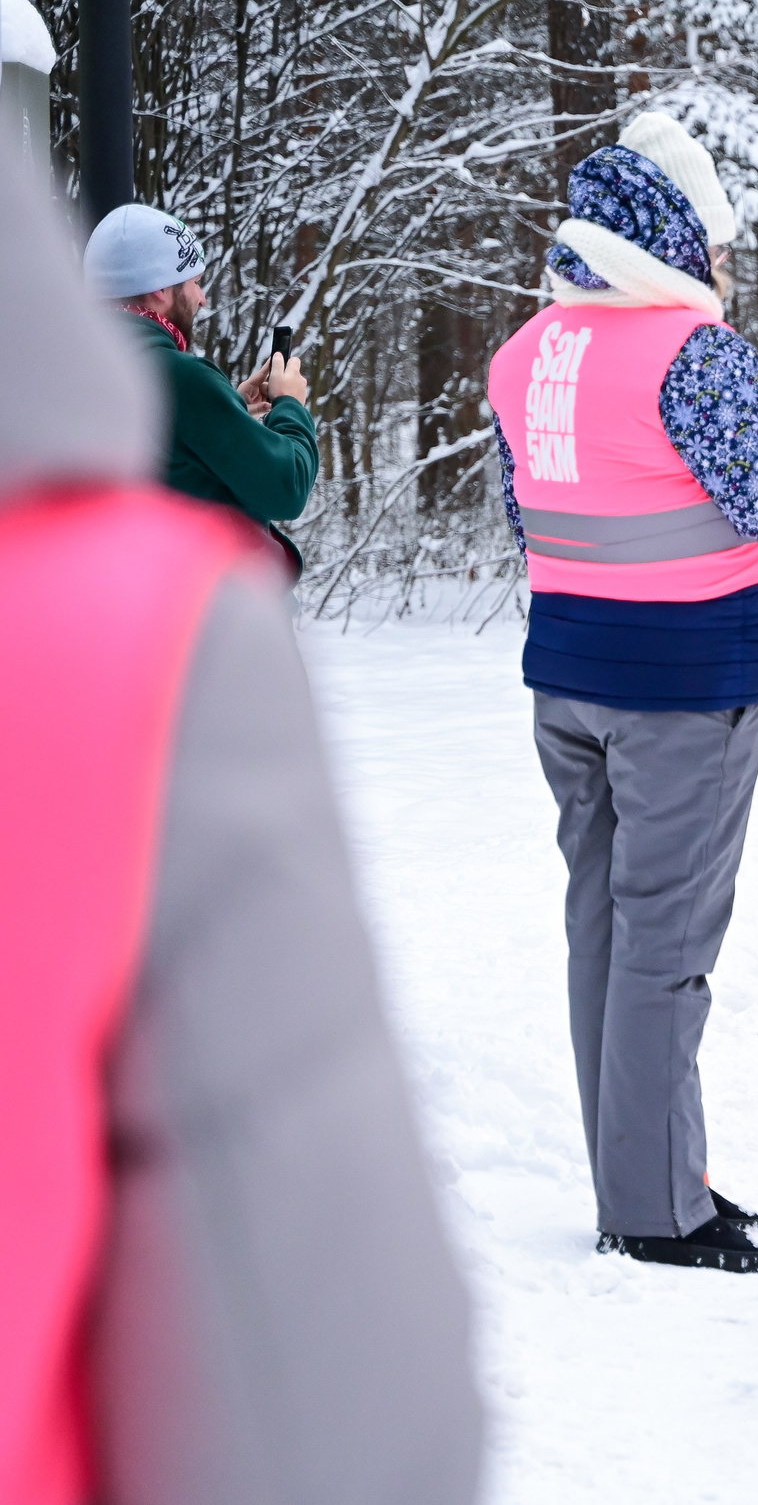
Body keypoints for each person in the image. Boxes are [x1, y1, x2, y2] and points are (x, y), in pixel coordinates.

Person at [4, 149, 480, 1499]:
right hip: (146, 689)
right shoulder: (166, 377)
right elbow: (275, 486)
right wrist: (300, 416)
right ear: (165, 294)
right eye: (193, 275)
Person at [487, 112, 758, 1273]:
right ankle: (657, 1209)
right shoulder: (695, 350)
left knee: (603, 928)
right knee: (665, 941)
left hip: (568, 676)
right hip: (687, 683)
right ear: (670, 241)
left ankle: (640, 1171)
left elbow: (528, 510)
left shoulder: (523, 355)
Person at [84, 199, 317, 574]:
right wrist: (290, 404)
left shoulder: (75, 371)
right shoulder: (179, 378)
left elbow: (167, 456)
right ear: (160, 288)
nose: (202, 297)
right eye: (194, 282)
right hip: (212, 613)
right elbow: (285, 488)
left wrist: (230, 405)